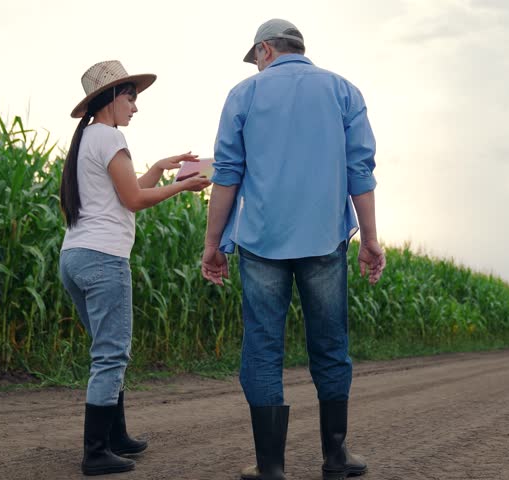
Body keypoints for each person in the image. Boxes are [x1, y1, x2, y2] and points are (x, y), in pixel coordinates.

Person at [200, 19, 385, 480]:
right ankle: (335, 458)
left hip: (262, 243)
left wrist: (213, 245)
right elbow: (359, 170)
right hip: (324, 240)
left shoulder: (244, 95)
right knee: (330, 345)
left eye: (255, 59)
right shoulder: (344, 91)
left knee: (262, 348)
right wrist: (371, 239)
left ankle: (270, 467)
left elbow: (227, 174)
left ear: (265, 50)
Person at [59, 60, 211, 476]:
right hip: (104, 259)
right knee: (111, 354)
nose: (136, 107)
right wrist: (184, 185)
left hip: (74, 257)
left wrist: (161, 169)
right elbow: (134, 201)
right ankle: (95, 452)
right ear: (110, 98)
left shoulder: (87, 139)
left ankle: (115, 437)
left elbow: (126, 189)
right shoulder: (110, 137)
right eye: (131, 97)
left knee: (107, 351)